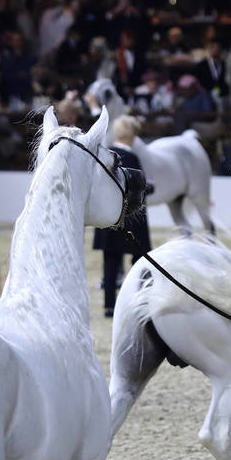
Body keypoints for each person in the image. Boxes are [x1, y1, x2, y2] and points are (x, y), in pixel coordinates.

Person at [93, 122, 151, 316]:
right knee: (138, 261)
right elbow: (140, 188)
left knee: (110, 262)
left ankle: (109, 306)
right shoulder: (132, 157)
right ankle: (136, 301)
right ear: (132, 136)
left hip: (108, 217)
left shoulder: (105, 155)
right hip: (131, 220)